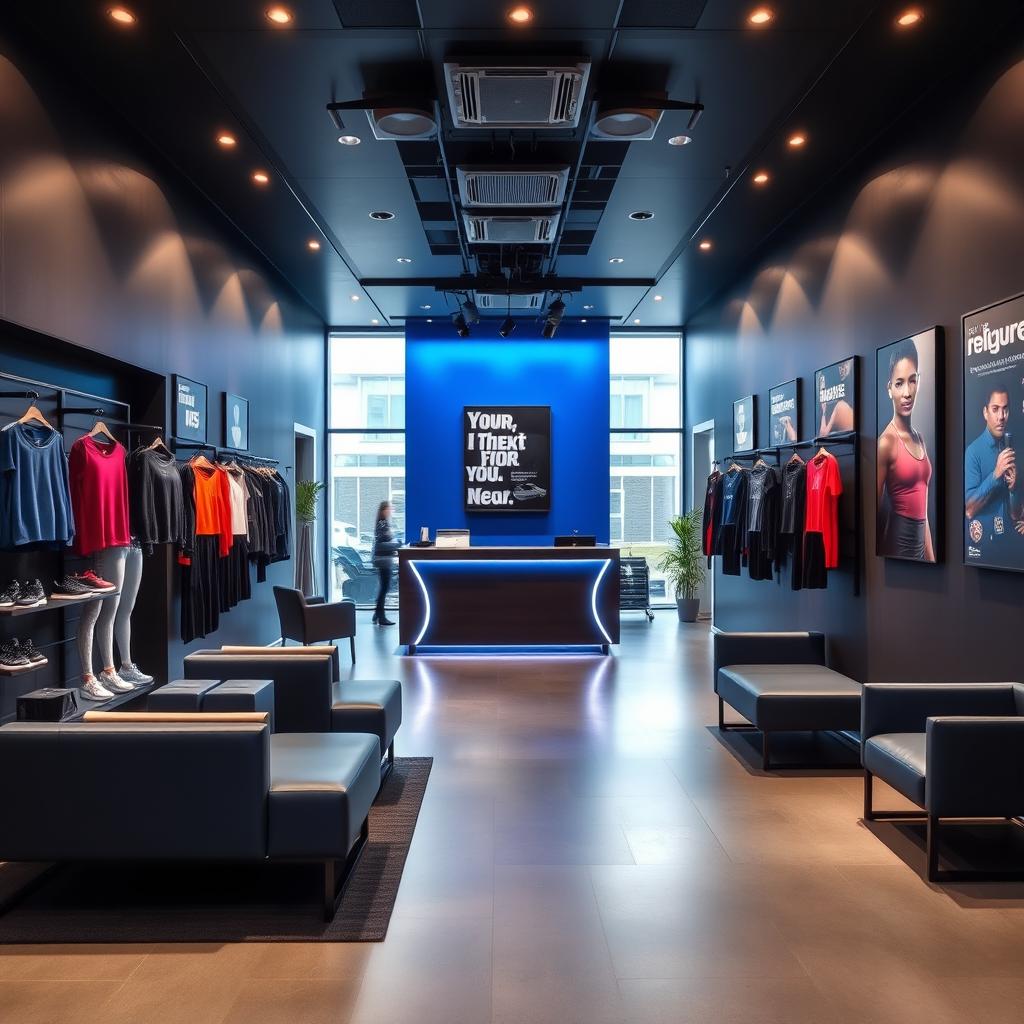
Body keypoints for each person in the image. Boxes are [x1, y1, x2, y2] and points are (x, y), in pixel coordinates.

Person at [876, 338, 934, 561]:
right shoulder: (887, 443)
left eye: (912, 381)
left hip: (920, 547)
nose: (907, 392)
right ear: (889, 389)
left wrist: (932, 559)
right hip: (897, 546)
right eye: (899, 383)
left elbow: (924, 515)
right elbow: (876, 516)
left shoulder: (920, 438)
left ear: (918, 381)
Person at [964, 381, 1020, 556]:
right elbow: (969, 509)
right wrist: (996, 474)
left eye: (1005, 409)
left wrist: (1013, 489)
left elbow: (1015, 515)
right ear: (985, 412)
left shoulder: (1012, 448)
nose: (1001, 416)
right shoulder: (973, 451)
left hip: (1010, 546)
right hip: (983, 548)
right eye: (995, 409)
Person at [371, 500, 400, 626]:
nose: (391, 511)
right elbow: (382, 544)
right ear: (383, 510)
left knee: (384, 587)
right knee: (385, 588)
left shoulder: (383, 523)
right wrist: (397, 544)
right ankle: (381, 616)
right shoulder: (382, 524)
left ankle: (377, 613)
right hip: (382, 560)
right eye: (389, 508)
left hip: (383, 559)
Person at [818, 359, 855, 435]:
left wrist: (824, 413)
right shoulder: (833, 407)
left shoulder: (840, 406)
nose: (822, 390)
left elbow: (823, 434)